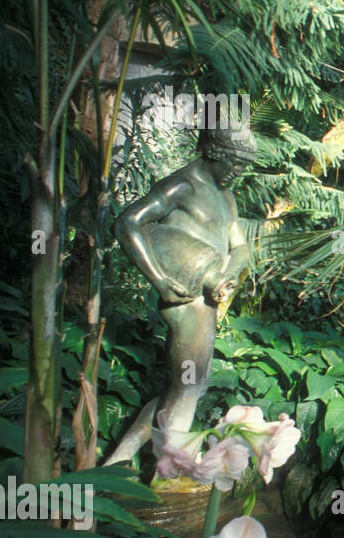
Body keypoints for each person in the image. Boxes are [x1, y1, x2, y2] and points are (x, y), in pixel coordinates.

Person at [104, 123, 255, 466]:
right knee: (189, 384)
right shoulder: (183, 185)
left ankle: (116, 462)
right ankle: (168, 471)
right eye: (236, 164)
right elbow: (127, 223)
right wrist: (158, 279)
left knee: (186, 385)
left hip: (210, 294)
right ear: (216, 154)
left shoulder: (226, 196)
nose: (239, 173)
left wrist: (229, 273)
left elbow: (241, 246)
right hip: (186, 295)